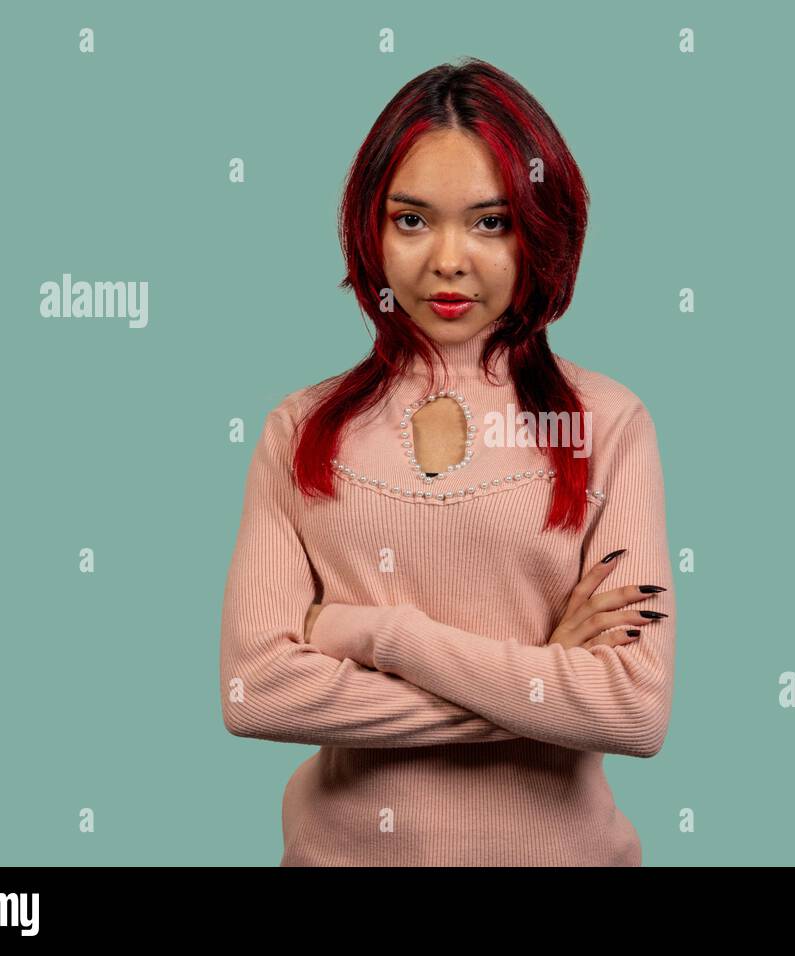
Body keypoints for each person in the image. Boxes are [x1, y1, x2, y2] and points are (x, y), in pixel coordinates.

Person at [220, 57, 676, 866]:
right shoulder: (297, 430)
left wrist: (369, 633)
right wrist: (545, 681)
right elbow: (254, 689)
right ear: (371, 227)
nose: (449, 260)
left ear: (541, 226)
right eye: (413, 220)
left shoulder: (608, 424)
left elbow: (634, 709)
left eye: (491, 222)